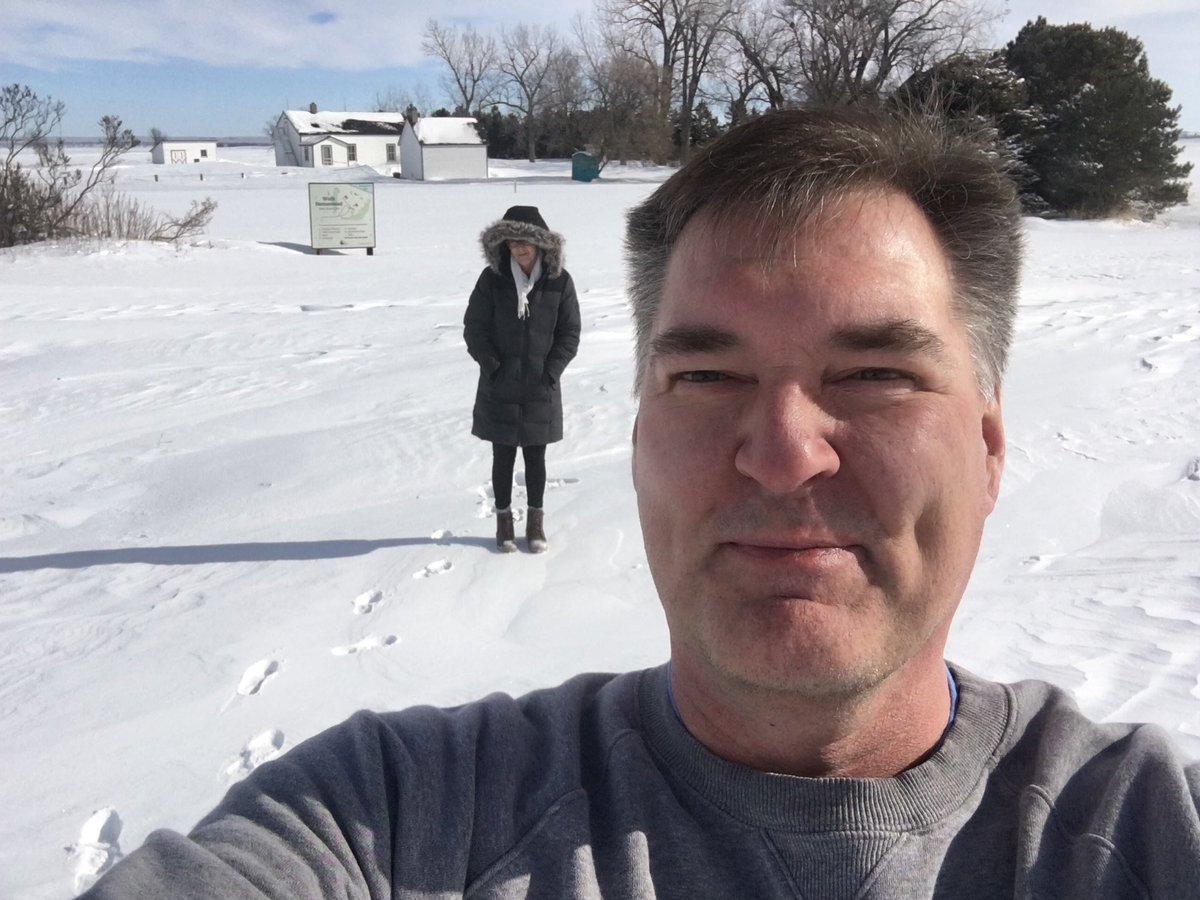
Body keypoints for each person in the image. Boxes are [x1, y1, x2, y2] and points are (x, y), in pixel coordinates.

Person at [81, 108, 1199, 899]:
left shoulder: (1143, 831)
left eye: (875, 375)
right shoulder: (399, 817)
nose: (780, 456)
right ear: (640, 440)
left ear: (991, 447)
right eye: (705, 378)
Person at [464, 205, 581, 553]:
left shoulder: (560, 281)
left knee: (535, 459)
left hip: (539, 387)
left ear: (541, 243)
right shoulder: (493, 279)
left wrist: (550, 372)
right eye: (512, 241)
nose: (519, 247)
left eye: (526, 240)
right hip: (499, 385)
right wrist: (493, 366)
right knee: (502, 457)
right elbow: (475, 328)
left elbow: (569, 333)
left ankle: (535, 524)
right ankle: (503, 523)